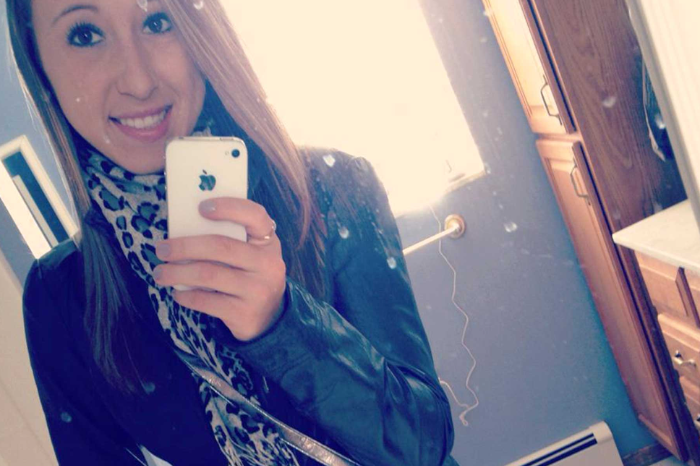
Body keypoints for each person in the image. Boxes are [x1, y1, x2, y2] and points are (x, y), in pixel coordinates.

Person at [8, 0, 457, 464]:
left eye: (158, 21)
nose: (139, 81)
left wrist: (282, 325)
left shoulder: (334, 188)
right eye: (85, 34)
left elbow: (422, 446)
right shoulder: (60, 296)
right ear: (39, 63)